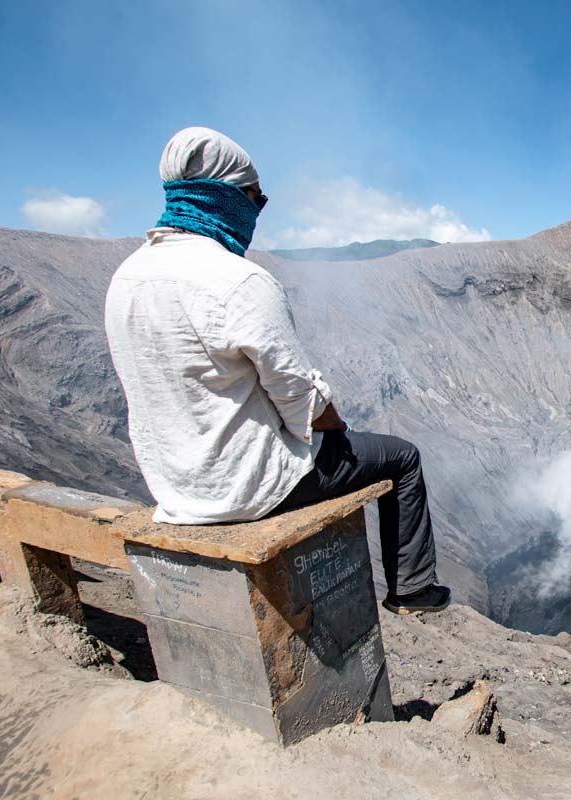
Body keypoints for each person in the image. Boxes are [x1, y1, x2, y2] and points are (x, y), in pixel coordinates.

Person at [104, 126, 449, 614]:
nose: (258, 212)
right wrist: (339, 429)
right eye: (255, 198)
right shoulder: (239, 280)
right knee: (402, 457)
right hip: (250, 487)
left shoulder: (126, 278)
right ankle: (413, 589)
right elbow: (304, 404)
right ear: (227, 195)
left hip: (177, 489)